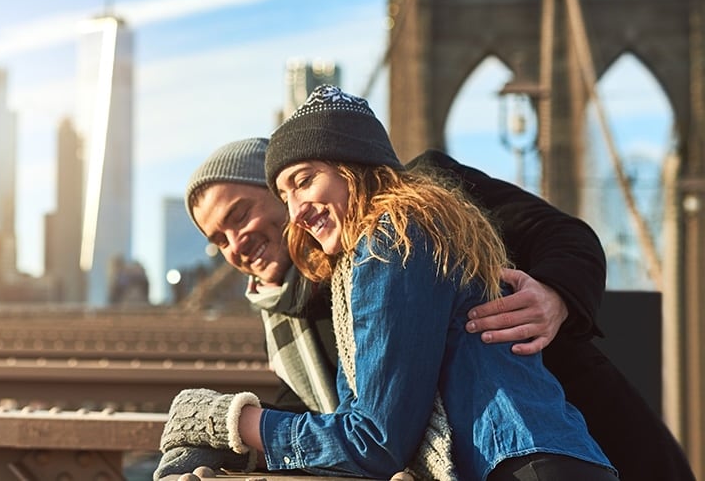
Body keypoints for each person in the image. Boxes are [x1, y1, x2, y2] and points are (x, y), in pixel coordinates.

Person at [152, 85, 682, 480]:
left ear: (348, 164)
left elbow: (562, 234)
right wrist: (234, 445)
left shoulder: (405, 220)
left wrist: (556, 296)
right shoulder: (308, 312)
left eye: (242, 212)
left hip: (567, 441)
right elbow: (319, 422)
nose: (236, 242)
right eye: (217, 240)